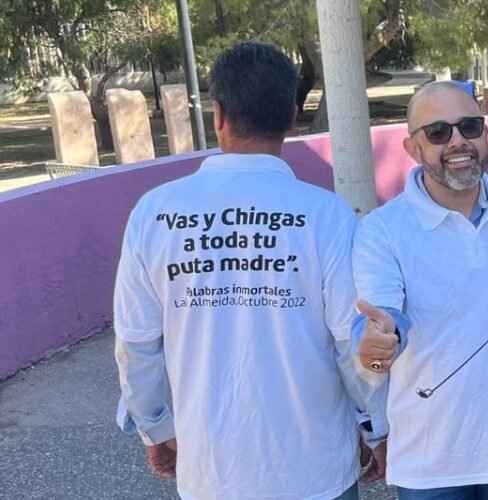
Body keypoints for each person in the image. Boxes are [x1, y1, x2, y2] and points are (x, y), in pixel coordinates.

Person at [112, 42, 381, 500]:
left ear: (217, 113)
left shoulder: (154, 212)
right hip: (317, 470)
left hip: (212, 470)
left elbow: (136, 342)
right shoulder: (326, 214)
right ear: (292, 116)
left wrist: (154, 426)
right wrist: (374, 428)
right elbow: (351, 342)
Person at [351, 81, 488, 499]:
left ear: (485, 133)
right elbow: (381, 316)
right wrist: (377, 341)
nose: (458, 141)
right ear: (413, 148)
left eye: (470, 127)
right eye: (438, 132)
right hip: (429, 461)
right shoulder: (382, 229)